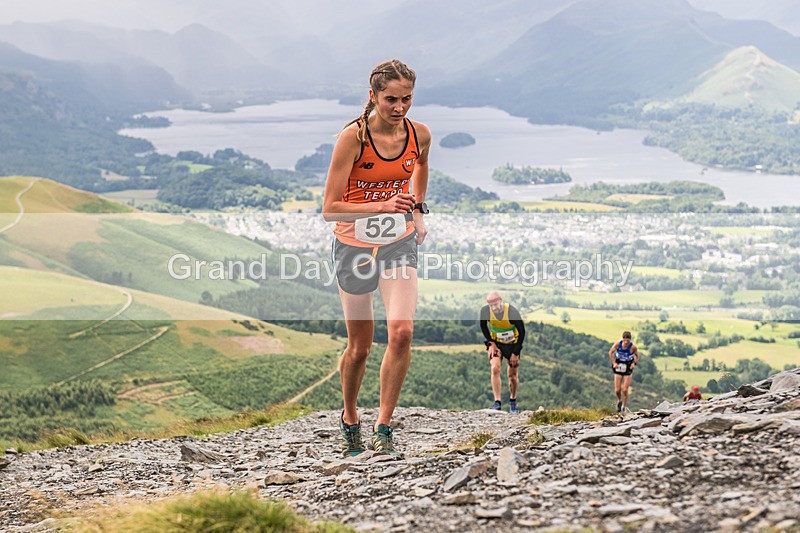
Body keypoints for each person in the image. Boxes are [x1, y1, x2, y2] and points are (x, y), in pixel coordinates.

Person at [322, 59, 431, 457]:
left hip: (397, 241)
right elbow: (330, 208)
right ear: (373, 96)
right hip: (353, 245)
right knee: (360, 347)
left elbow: (419, 167)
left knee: (402, 332)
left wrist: (416, 211)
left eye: (407, 99)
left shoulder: (420, 134)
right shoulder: (353, 138)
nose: (399, 107)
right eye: (390, 100)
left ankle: (383, 425)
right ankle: (350, 416)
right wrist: (382, 205)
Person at [479, 291, 525, 413]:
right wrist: (491, 343)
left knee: (512, 376)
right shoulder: (485, 312)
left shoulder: (511, 312)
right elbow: (483, 327)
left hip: (512, 345)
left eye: (496, 304)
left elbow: (522, 332)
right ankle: (497, 403)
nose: (494, 308)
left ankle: (513, 401)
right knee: (494, 368)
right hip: (497, 344)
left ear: (501, 301)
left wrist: (516, 352)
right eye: (491, 305)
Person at [608, 331, 639, 414]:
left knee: (625, 389)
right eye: (625, 341)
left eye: (628, 341)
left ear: (630, 340)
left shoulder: (633, 347)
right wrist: (614, 362)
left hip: (628, 367)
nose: (626, 343)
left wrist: (634, 363)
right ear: (623, 339)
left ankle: (624, 407)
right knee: (617, 390)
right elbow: (610, 352)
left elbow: (637, 356)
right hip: (618, 365)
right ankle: (620, 400)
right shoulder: (618, 344)